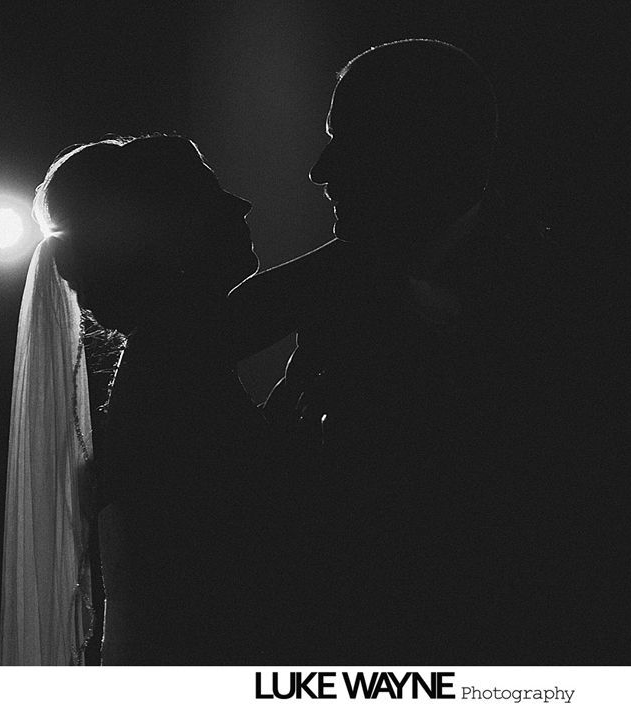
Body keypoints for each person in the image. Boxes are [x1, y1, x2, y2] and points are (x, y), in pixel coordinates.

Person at [229, 39, 577, 662]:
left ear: (427, 149)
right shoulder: (349, 274)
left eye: (349, 139)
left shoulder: (554, 303)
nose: (320, 169)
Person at [1, 135, 288, 665]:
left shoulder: (168, 362)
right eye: (211, 193)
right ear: (166, 235)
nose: (241, 205)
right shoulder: (173, 365)